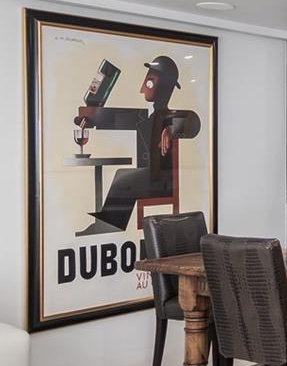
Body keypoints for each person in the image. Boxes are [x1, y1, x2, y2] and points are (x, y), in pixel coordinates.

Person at [74, 55, 200, 235]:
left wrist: (171, 129)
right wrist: (88, 118)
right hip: (146, 176)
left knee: (124, 178)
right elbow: (113, 118)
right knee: (125, 176)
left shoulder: (170, 116)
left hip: (161, 181)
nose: (142, 89)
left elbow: (193, 121)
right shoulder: (143, 115)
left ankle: (107, 226)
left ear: (164, 87)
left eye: (149, 82)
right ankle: (106, 226)